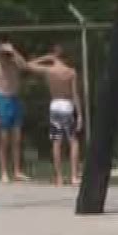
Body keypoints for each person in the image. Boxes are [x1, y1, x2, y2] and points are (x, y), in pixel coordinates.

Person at [25, 43, 84, 187]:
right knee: (73, 141)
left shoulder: (49, 70)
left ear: (54, 56)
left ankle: (59, 177)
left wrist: (44, 58)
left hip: (55, 105)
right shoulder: (70, 72)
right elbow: (75, 94)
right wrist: (80, 114)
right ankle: (74, 175)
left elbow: (28, 65)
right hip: (67, 105)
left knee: (57, 141)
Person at [0, 41, 30, 183]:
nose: (5, 57)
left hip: (15, 98)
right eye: (3, 54)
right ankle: (4, 172)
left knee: (16, 139)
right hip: (2, 100)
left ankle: (17, 171)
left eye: (7, 54)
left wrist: (14, 50)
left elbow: (25, 66)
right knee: (4, 139)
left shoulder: (14, 64)